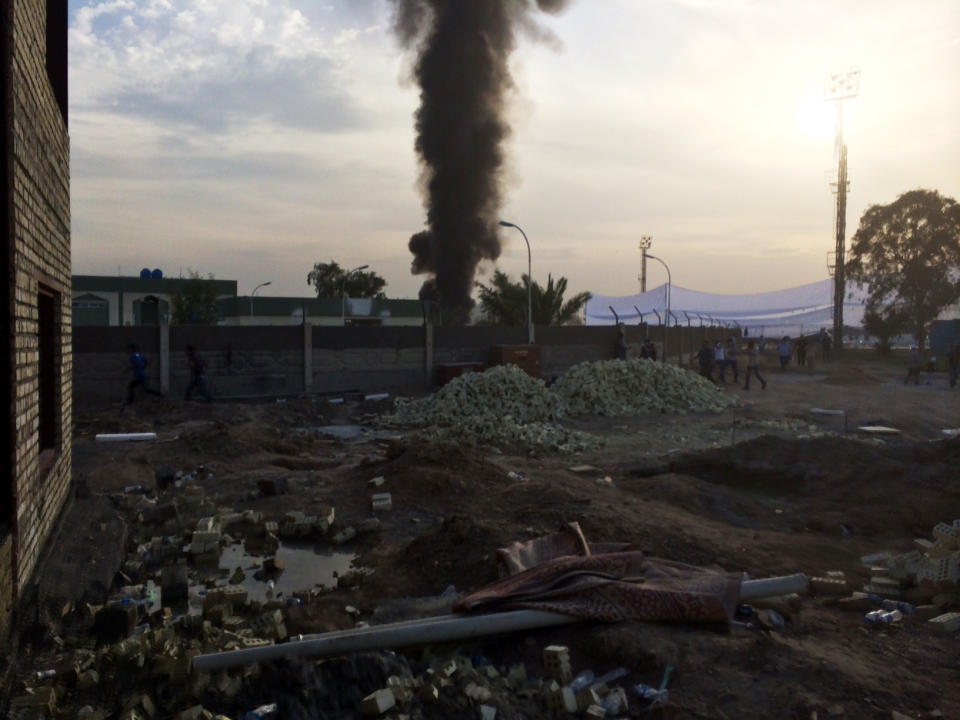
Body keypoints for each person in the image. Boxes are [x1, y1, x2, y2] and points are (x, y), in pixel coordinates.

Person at [123, 344, 163, 408]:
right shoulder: (139, 355)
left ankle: (130, 401)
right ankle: (160, 395)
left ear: (131, 349)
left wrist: (128, 369)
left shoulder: (133, 356)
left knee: (131, 387)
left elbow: (136, 364)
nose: (127, 351)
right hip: (142, 375)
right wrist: (142, 367)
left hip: (139, 376)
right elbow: (147, 362)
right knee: (144, 389)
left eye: (128, 349)